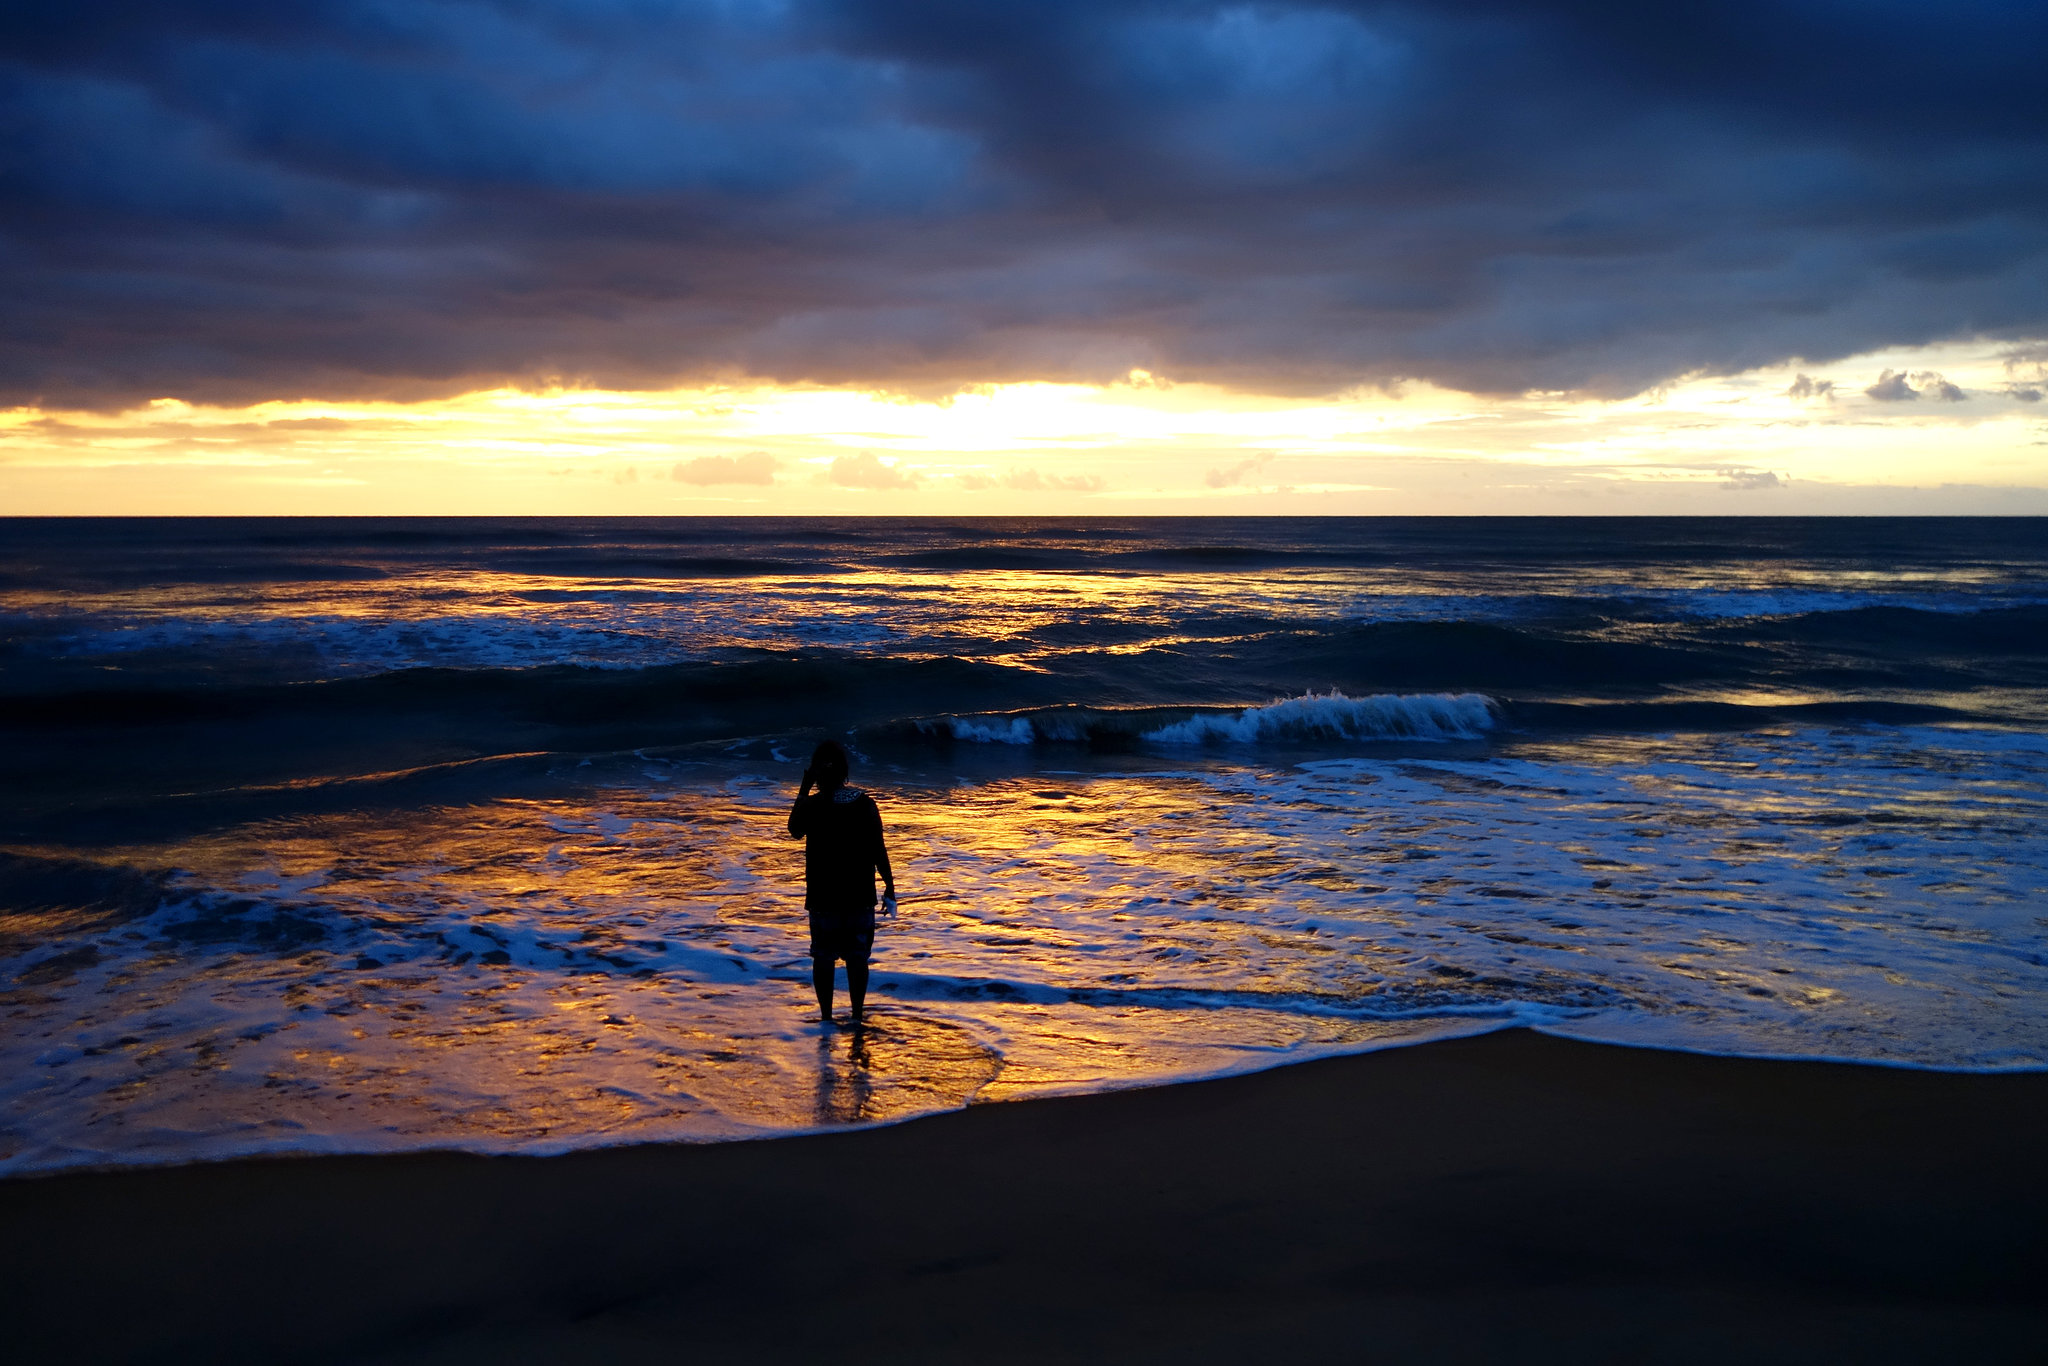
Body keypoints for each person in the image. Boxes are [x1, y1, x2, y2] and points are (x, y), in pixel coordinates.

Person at [787, 740, 896, 1025]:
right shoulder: (865, 803)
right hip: (859, 896)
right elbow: (878, 848)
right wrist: (890, 885)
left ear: (816, 774)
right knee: (857, 958)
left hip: (824, 898)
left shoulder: (813, 805)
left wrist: (803, 788)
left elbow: (794, 830)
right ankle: (857, 1017)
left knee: (823, 958)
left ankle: (826, 1021)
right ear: (845, 771)